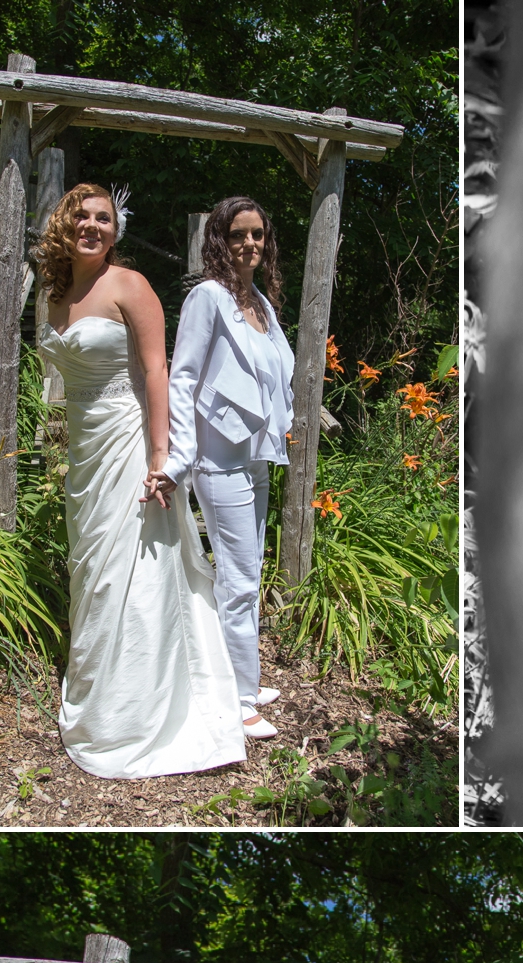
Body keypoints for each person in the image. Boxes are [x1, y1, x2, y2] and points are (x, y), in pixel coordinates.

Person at [34, 185, 246, 780]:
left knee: (133, 569)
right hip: (84, 449)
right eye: (83, 217)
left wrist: (163, 456)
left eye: (104, 219)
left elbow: (159, 370)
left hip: (130, 442)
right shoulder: (54, 292)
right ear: (65, 224)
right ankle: (98, 690)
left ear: (116, 229)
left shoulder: (130, 285)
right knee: (92, 570)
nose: (93, 227)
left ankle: (135, 713)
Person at [162, 194, 295, 740]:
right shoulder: (208, 298)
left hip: (255, 457)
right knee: (239, 580)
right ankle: (239, 698)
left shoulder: (259, 301)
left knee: (248, 572)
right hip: (219, 461)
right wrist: (178, 457)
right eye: (239, 234)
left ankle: (242, 671)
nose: (250, 244)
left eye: (258, 235)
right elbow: (185, 376)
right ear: (219, 238)